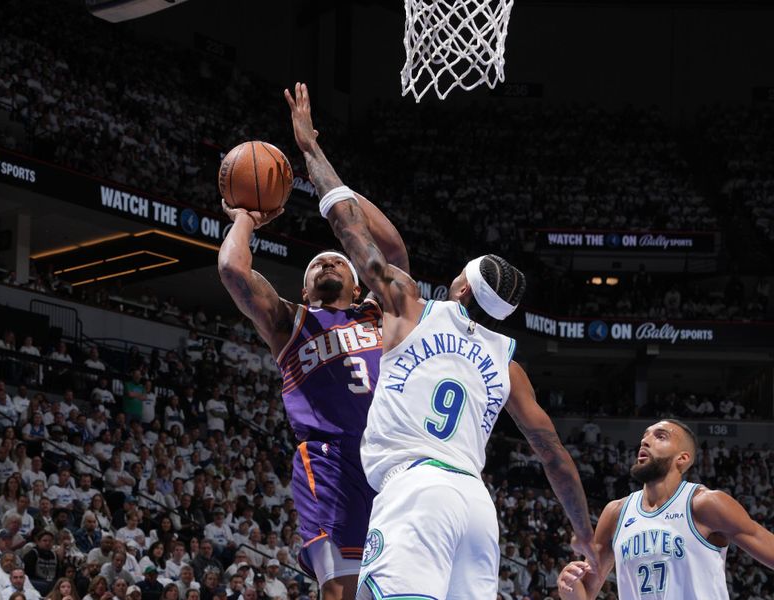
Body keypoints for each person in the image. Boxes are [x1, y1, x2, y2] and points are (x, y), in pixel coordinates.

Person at [286, 82, 596, 598]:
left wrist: (311, 150)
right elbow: (553, 453)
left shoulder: (410, 307)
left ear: (461, 286)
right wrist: (583, 532)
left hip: (416, 492)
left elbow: (349, 230)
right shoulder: (507, 363)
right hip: (476, 507)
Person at [218, 95, 408, 600]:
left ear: (355, 277)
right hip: (329, 460)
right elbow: (234, 272)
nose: (327, 265)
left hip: (389, 460)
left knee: (389, 589)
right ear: (303, 290)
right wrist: (244, 217)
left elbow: (392, 251)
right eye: (315, 266)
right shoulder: (291, 322)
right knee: (341, 590)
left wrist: (338, 189)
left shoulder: (380, 313)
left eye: (336, 262)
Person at [557, 419, 774, 600]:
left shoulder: (704, 504)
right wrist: (569, 587)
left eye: (660, 436)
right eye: (645, 435)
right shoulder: (616, 513)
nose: (645, 441)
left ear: (682, 458)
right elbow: (586, 592)